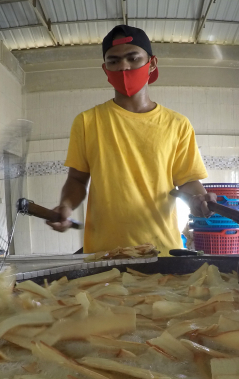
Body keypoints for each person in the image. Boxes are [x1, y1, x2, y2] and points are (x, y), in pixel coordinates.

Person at [47, 25, 216, 255]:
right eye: (113, 61)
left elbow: (187, 182)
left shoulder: (177, 124)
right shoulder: (87, 121)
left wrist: (199, 202)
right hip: (103, 255)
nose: (123, 67)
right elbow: (76, 180)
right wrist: (66, 205)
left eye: (133, 58)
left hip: (162, 253)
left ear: (152, 63)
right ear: (105, 69)